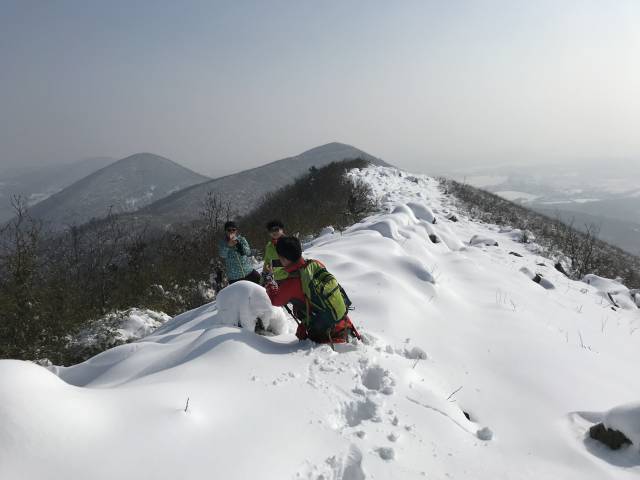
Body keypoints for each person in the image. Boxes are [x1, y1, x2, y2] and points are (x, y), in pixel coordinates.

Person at [265, 236, 361, 345]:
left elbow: (276, 300)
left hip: (322, 329)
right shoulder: (315, 264)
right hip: (339, 316)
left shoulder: (291, 283)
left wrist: (269, 281)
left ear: (285, 259)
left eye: (280, 257)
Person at [219, 221, 260, 285]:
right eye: (229, 230)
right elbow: (222, 255)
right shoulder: (222, 243)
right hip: (234, 277)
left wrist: (239, 244)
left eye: (233, 230)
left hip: (248, 271)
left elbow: (248, 252)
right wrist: (228, 246)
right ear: (225, 231)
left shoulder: (241, 239)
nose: (231, 231)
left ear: (236, 231)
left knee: (262, 284)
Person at [262, 219, 289, 284]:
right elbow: (267, 261)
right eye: (271, 230)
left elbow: (296, 259)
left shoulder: (290, 242)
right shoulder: (269, 246)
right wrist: (264, 275)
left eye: (276, 229)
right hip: (278, 279)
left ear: (282, 230)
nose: (274, 232)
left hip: (291, 276)